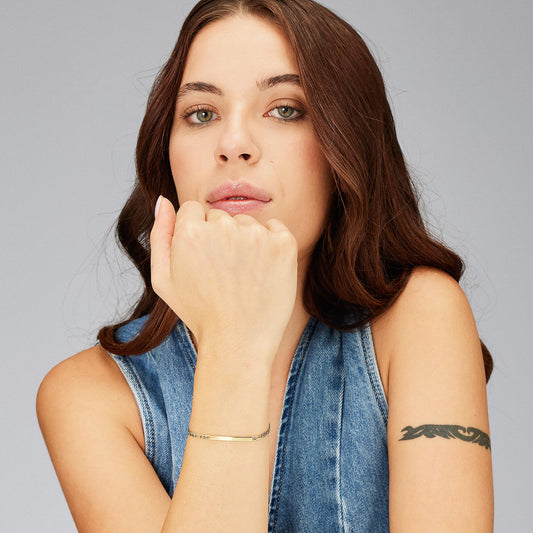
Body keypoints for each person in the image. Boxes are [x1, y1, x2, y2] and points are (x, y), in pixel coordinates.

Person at [36, 0, 494, 531]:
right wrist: (234, 342)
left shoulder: (422, 317)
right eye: (201, 114)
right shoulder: (86, 395)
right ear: (167, 153)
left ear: (345, 144)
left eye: (285, 109)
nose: (234, 145)